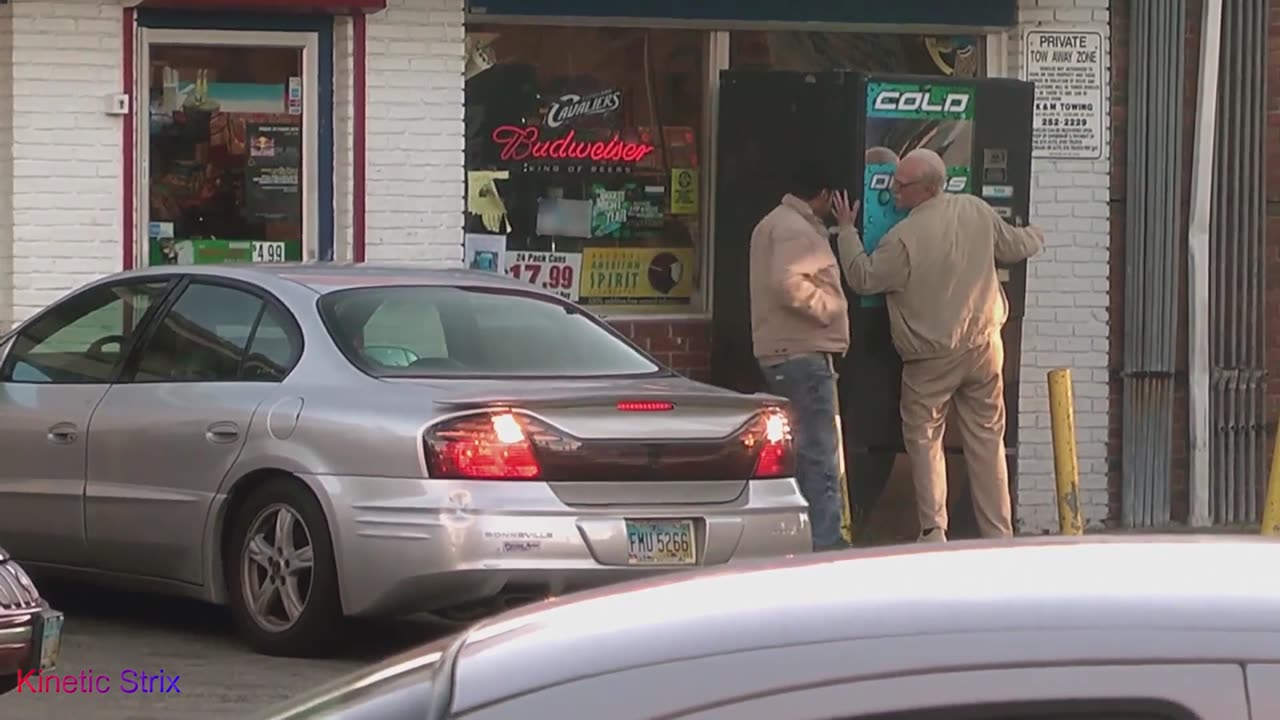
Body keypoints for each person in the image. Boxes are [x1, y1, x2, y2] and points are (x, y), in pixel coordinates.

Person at [832, 148, 1044, 542]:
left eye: (901, 184)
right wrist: (1037, 234)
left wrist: (846, 230)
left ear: (925, 189)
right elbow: (1015, 246)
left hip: (930, 358)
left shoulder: (903, 238)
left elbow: (863, 277)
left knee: (925, 437)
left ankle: (933, 529)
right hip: (984, 347)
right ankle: (999, 534)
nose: (893, 188)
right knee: (987, 441)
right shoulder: (977, 210)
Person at [749, 172, 849, 552]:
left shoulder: (773, 224)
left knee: (798, 452)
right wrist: (831, 308)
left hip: (782, 351)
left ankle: (807, 538)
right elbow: (787, 283)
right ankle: (826, 541)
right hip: (802, 352)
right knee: (819, 453)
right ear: (823, 193)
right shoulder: (794, 229)